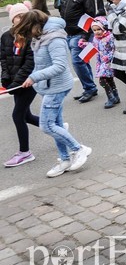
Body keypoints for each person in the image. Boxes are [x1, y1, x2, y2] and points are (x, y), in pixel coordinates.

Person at [13, 10, 92, 177]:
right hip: (47, 86)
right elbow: (40, 63)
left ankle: (79, 149)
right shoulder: (40, 36)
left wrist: (34, 77)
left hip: (57, 87)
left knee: (47, 126)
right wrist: (31, 77)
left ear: (34, 26)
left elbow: (60, 66)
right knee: (56, 124)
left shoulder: (55, 39)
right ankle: (65, 159)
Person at [2, 1, 39, 167]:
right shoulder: (5, 36)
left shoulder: (32, 36)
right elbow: (3, 59)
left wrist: (17, 83)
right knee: (26, 116)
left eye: (23, 15)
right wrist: (6, 79)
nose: (20, 18)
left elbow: (30, 63)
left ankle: (25, 153)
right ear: (12, 18)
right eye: (17, 16)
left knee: (18, 115)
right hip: (14, 83)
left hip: (27, 83)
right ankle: (57, 127)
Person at [57, 0, 99, 104]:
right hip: (68, 34)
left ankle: (89, 88)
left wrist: (85, 37)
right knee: (83, 61)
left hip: (80, 35)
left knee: (77, 62)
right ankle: (90, 87)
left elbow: (91, 17)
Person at [79, 17, 120, 108]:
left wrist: (108, 57)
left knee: (103, 80)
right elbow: (94, 46)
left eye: (99, 29)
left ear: (104, 28)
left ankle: (111, 98)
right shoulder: (95, 38)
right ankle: (115, 96)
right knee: (109, 79)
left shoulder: (110, 37)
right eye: (94, 30)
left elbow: (114, 49)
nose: (97, 32)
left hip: (108, 62)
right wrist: (84, 44)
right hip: (101, 62)